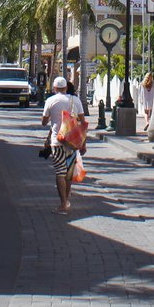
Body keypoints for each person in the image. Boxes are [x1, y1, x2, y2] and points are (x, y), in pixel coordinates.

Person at [41, 76, 86, 214]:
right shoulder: (75, 100)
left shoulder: (50, 100)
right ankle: (66, 200)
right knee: (68, 173)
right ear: (66, 87)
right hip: (72, 142)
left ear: (54, 88)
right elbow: (82, 122)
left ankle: (63, 204)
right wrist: (83, 143)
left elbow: (44, 122)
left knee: (60, 172)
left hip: (57, 141)